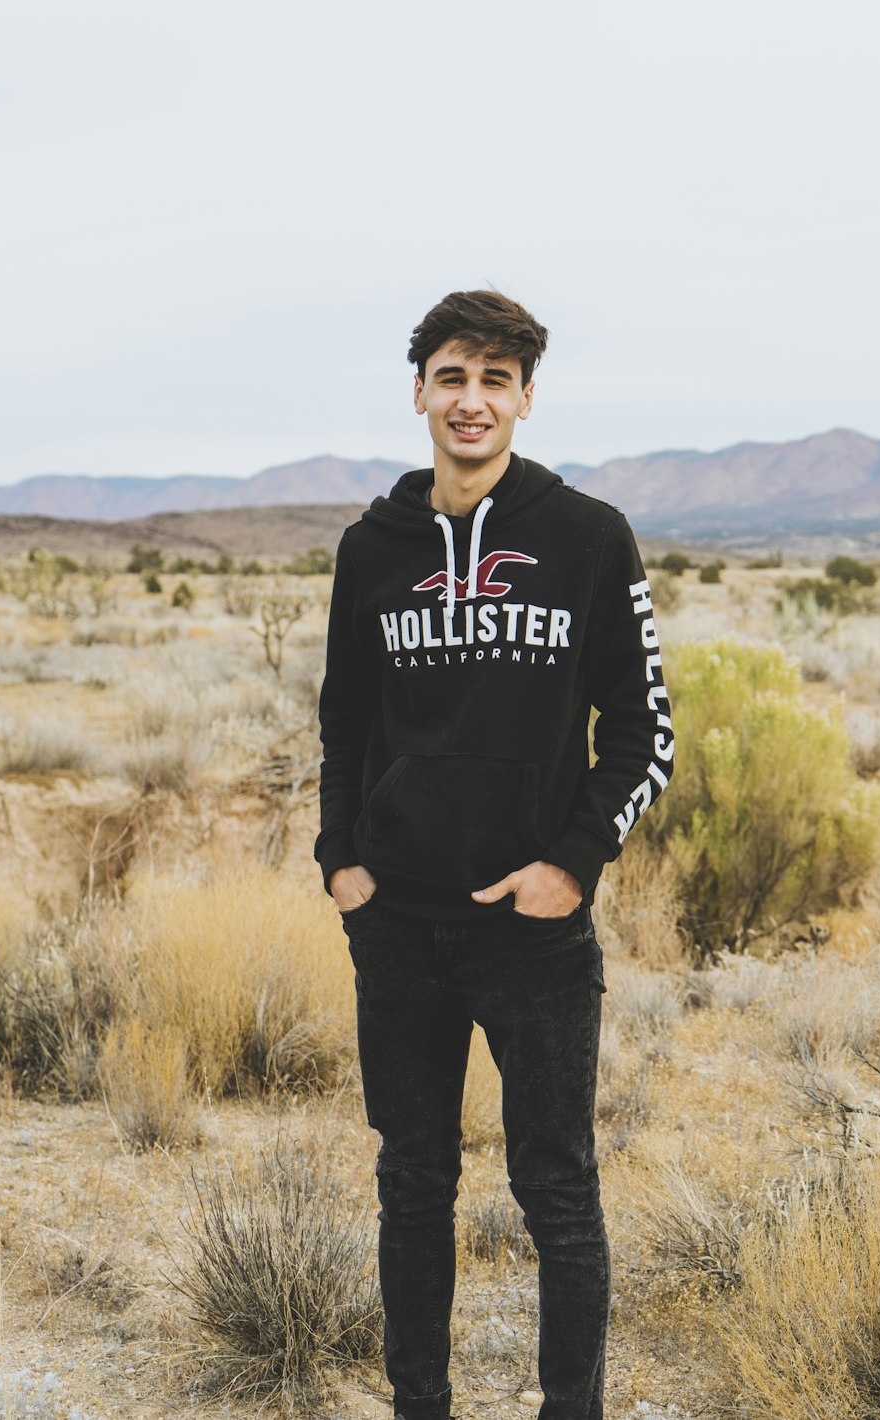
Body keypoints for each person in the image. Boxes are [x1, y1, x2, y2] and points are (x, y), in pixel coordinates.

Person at [315, 289, 673, 1420]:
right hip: (399, 930)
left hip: (533, 934)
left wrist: (571, 864)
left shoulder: (585, 535)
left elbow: (643, 728)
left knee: (557, 1191)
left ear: (524, 398)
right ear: (418, 390)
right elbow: (342, 723)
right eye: (452, 377)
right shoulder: (370, 550)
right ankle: (420, 1405)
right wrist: (342, 861)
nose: (472, 401)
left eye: (496, 380)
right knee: (412, 1186)